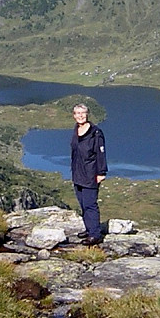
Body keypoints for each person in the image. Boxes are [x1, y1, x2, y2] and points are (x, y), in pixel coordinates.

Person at [70, 103, 107, 244]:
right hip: (77, 173)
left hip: (90, 173)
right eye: (77, 113)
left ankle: (95, 235)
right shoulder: (76, 130)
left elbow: (101, 153)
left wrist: (101, 172)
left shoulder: (95, 133)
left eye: (83, 113)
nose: (80, 116)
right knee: (82, 203)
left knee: (90, 204)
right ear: (74, 115)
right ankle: (89, 228)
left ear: (87, 114)